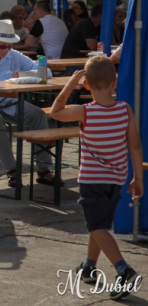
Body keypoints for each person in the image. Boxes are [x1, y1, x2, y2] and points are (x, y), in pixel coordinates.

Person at [49, 57, 143, 299]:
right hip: (117, 179)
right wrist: (138, 178)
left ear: (87, 85)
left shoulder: (85, 112)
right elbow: (135, 146)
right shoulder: (125, 109)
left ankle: (124, 271)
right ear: (115, 82)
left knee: (96, 226)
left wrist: (71, 83)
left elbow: (55, 111)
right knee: (99, 224)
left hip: (92, 180)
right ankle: (89, 265)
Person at [0, 19, 60, 188]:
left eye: (10, 46)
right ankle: (12, 169)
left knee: (38, 114)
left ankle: (43, 168)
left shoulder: (13, 54)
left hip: (9, 102)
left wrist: (25, 73)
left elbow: (46, 71)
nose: (6, 50)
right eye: (3, 46)